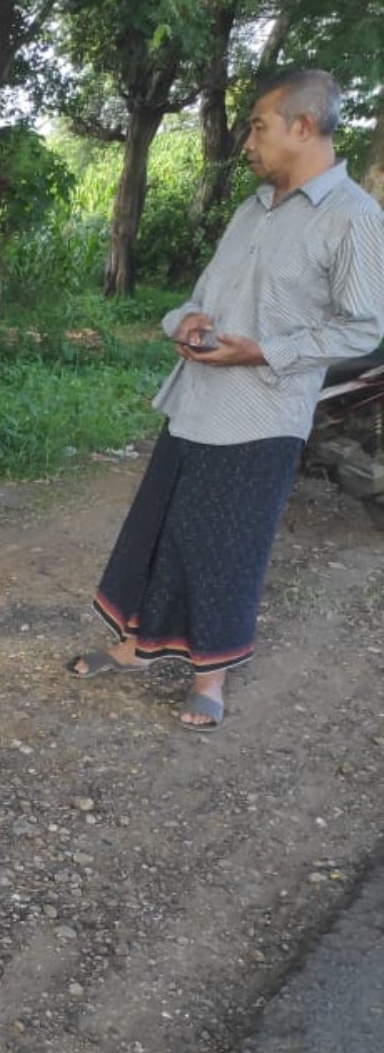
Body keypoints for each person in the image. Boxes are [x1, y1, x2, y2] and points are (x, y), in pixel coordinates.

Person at [66, 70, 384, 731]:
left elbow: (365, 325)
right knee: (159, 530)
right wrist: (186, 319)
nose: (248, 142)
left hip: (265, 414)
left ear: (303, 126)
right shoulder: (253, 209)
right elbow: (204, 294)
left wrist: (263, 350)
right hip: (197, 401)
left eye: (259, 126)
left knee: (227, 548)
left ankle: (211, 678)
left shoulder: (354, 216)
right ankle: (133, 646)